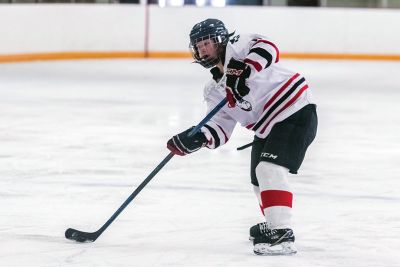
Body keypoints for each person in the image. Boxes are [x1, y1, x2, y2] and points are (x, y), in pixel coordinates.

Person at [167, 18, 317, 256]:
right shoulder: (213, 90)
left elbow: (268, 48)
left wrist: (245, 69)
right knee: (259, 181)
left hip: (294, 109)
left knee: (269, 170)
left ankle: (282, 233)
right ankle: (273, 220)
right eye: (199, 45)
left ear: (221, 41)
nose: (203, 49)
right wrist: (196, 138)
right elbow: (220, 128)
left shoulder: (238, 47)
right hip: (267, 126)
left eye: (207, 43)